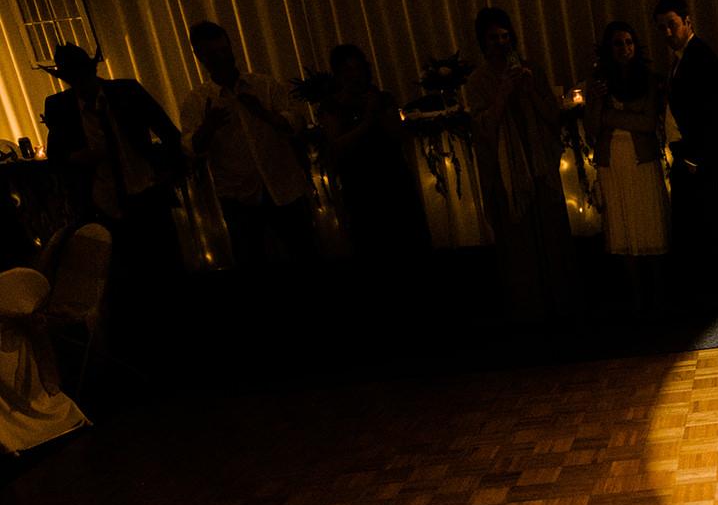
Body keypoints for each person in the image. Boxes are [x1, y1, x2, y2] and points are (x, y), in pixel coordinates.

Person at [42, 43, 186, 348]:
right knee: (125, 282)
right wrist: (75, 157)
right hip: (105, 204)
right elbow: (55, 156)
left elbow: (169, 131)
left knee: (167, 274)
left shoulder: (126, 93)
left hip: (146, 192)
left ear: (93, 71)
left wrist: (172, 172)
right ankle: (144, 347)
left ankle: (178, 341)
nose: (82, 84)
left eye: (84, 76)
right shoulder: (60, 107)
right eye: (74, 79)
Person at [464, 6, 575, 321]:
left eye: (504, 36)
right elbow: (484, 127)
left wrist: (528, 90)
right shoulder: (478, 81)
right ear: (483, 42)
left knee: (551, 236)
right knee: (520, 246)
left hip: (540, 167)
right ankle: (531, 312)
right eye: (493, 38)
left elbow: (552, 116)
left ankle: (562, 306)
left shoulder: (531, 70)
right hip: (508, 174)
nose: (500, 42)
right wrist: (502, 92)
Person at [180, 21, 317, 267]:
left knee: (305, 256)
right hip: (238, 198)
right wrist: (209, 126)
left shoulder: (264, 85)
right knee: (251, 265)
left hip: (283, 188)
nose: (221, 57)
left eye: (224, 50)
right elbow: (191, 148)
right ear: (199, 57)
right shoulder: (196, 101)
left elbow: (297, 124)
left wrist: (263, 114)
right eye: (212, 53)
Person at [654, 0, 718, 306]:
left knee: (709, 224)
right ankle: (705, 292)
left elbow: (708, 112)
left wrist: (692, 157)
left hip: (696, 157)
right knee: (693, 225)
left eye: (671, 25)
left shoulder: (700, 56)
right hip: (685, 153)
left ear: (688, 23)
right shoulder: (679, 58)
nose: (666, 33)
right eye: (661, 27)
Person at [584, 20, 669, 312]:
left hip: (642, 160)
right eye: (618, 43)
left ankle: (658, 296)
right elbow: (593, 128)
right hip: (612, 163)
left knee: (650, 225)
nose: (625, 48)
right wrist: (598, 104)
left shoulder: (647, 79)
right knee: (624, 229)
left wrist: (612, 115)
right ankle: (637, 298)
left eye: (629, 42)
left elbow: (648, 124)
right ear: (609, 47)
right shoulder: (597, 82)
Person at [318, 43, 431, 264]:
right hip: (361, 187)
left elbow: (400, 136)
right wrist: (365, 123)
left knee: (408, 243)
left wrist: (378, 112)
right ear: (339, 75)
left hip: (393, 181)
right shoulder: (332, 106)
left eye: (359, 68)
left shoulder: (382, 99)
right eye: (348, 70)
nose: (355, 75)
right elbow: (337, 147)